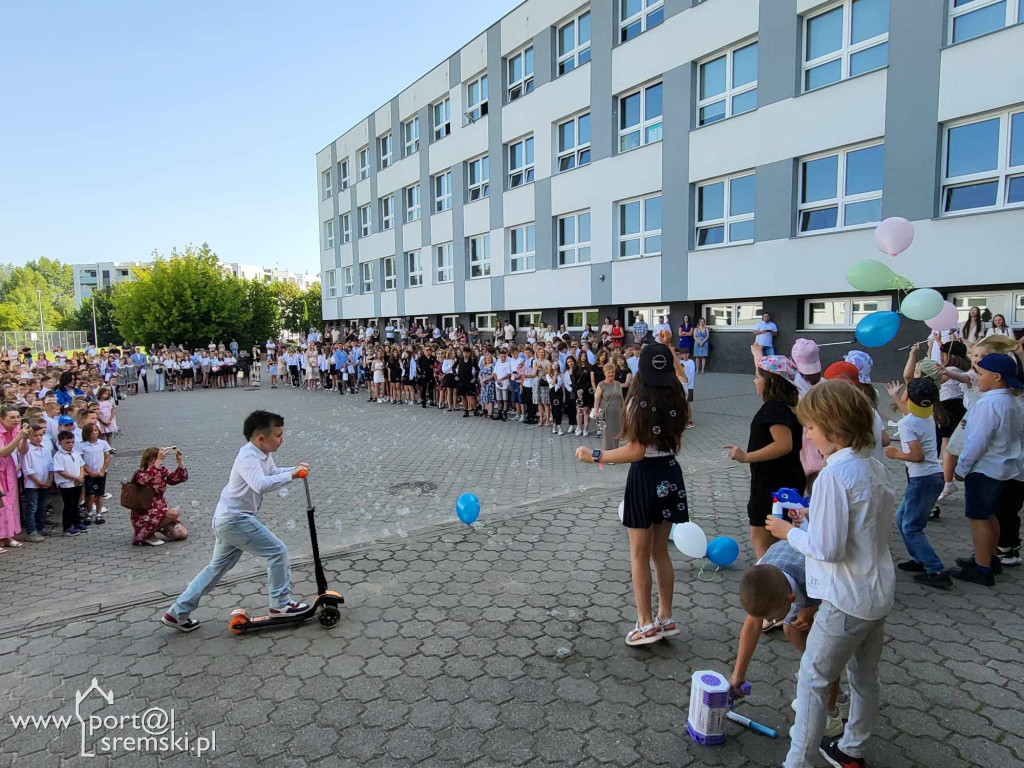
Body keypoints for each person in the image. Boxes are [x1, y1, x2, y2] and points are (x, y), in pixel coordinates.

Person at [764, 380, 895, 768]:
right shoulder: (873, 467)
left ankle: (798, 761)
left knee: (813, 682)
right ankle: (852, 747)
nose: (807, 434)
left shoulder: (833, 477)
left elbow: (828, 549)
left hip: (845, 598)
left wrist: (790, 532)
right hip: (876, 592)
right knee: (864, 678)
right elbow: (868, 526)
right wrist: (814, 518)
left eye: (811, 427)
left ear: (835, 429)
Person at [575, 343, 690, 645]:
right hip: (670, 473)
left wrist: (595, 455)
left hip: (645, 478)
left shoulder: (638, 400)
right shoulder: (678, 395)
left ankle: (646, 623)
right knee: (661, 551)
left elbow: (636, 451)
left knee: (639, 554)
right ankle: (666, 617)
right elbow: (679, 378)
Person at [162, 411, 310, 632]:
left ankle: (177, 613)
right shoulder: (248, 457)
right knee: (277, 552)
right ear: (261, 438)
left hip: (229, 519)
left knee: (216, 568)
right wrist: (292, 476)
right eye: (278, 435)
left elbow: (272, 473)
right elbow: (260, 484)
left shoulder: (263, 453)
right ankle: (280, 604)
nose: (282, 439)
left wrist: (293, 470)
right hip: (235, 520)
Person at [729, 540, 847, 739]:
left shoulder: (814, 574)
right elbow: (752, 624)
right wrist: (738, 674)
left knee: (825, 655)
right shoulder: (761, 576)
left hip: (837, 595)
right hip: (799, 582)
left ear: (790, 600)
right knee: (792, 629)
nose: (768, 621)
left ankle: (830, 715)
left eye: (771, 616)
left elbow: (840, 594)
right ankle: (839, 696)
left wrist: (813, 610)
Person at [950, 353, 1024, 586]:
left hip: (985, 469)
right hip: (1002, 468)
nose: (978, 378)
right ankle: (989, 558)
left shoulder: (989, 403)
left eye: (981, 374)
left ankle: (982, 568)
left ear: (997, 377)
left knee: (978, 516)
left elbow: (977, 441)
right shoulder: (1012, 401)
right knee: (990, 513)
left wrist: (961, 467)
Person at [726, 356, 805, 559]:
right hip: (782, 478)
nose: (754, 381)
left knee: (761, 538)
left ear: (770, 382)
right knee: (774, 536)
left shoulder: (774, 408)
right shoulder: (784, 406)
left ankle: (769, 582)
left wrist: (746, 457)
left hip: (773, 483)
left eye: (757, 377)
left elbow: (783, 444)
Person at [884, 378, 950, 588]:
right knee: (902, 517)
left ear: (909, 398)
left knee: (911, 527)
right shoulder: (927, 415)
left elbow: (917, 456)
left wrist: (895, 454)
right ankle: (919, 559)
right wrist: (895, 396)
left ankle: (935, 568)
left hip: (923, 479)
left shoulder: (906, 424)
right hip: (931, 477)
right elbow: (910, 415)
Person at [130, 446, 189, 546]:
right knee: (174, 512)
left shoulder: (162, 471)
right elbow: (147, 479)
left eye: (156, 459)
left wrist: (180, 462)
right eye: (153, 460)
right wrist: (158, 461)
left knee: (181, 534)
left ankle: (148, 531)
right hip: (144, 512)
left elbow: (178, 478)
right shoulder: (140, 473)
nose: (155, 462)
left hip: (159, 511)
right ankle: (144, 534)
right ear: (147, 460)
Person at [0, 407, 29, 549]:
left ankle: (8, 535)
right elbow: (3, 453)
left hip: (9, 469)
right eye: (12, 417)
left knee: (11, 502)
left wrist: (24, 439)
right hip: (0, 470)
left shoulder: (17, 430)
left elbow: (23, 450)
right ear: (2, 419)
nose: (16, 420)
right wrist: (18, 437)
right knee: (1, 504)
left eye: (18, 417)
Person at [20, 422, 53, 542]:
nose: (39, 438)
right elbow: (27, 469)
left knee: (42, 506)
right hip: (32, 484)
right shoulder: (27, 449)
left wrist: (50, 479)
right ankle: (31, 531)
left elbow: (50, 465)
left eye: (40, 435)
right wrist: (38, 482)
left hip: (45, 482)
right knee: (32, 507)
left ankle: (41, 526)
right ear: (29, 436)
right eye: (35, 435)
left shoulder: (44, 448)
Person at [53, 429, 87, 537]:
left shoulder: (75, 453)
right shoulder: (59, 456)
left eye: (72, 442)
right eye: (67, 443)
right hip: (66, 485)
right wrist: (75, 477)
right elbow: (61, 471)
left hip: (77, 483)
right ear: (60, 443)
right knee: (69, 505)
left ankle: (77, 522)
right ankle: (67, 526)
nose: (70, 445)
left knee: (76, 504)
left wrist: (81, 477)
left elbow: (81, 465)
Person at [80, 424, 112, 526]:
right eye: (91, 431)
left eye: (96, 430)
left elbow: (107, 457)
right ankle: (89, 512)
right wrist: (89, 471)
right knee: (89, 494)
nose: (94, 433)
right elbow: (81, 460)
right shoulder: (83, 445)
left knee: (99, 493)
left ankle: (98, 514)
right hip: (88, 474)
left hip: (100, 473)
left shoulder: (103, 443)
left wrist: (102, 470)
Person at [593, 363, 624, 451]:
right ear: (605, 373)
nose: (611, 374)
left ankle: (615, 452)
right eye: (609, 372)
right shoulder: (601, 385)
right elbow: (597, 399)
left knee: (617, 433)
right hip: (607, 414)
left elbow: (621, 398)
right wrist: (595, 411)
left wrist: (624, 410)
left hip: (617, 413)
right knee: (608, 435)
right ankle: (608, 453)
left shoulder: (617, 384)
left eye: (612, 372)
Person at [679, 346, 696, 429]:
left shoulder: (691, 362)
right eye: (683, 354)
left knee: (688, 403)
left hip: (689, 386)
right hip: (681, 386)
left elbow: (691, 374)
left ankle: (690, 420)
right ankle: (683, 420)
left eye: (686, 354)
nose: (684, 356)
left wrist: (686, 383)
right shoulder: (680, 362)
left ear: (688, 354)